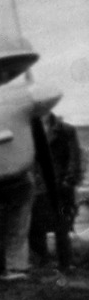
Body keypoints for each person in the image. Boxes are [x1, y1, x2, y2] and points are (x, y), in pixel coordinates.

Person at [29, 114, 85, 271]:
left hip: (60, 187)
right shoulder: (27, 130)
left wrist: (69, 181)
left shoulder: (66, 130)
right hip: (38, 187)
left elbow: (75, 158)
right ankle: (41, 263)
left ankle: (65, 264)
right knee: (36, 226)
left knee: (63, 227)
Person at [0, 171, 35, 280]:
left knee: (9, 231)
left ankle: (8, 266)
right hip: (13, 191)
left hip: (6, 192)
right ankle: (12, 267)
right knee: (16, 231)